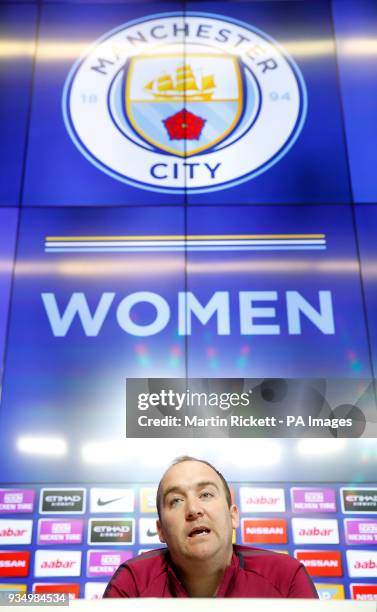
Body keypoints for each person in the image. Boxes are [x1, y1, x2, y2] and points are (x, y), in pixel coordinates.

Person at [104, 456, 318, 598]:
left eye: (205, 495)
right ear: (161, 531)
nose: (193, 509)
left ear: (233, 515)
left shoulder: (286, 576)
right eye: (176, 500)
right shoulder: (132, 582)